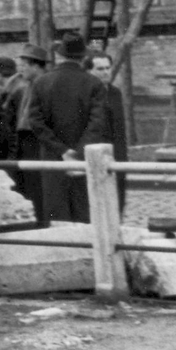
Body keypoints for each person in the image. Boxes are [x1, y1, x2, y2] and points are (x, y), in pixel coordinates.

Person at [23, 32, 110, 224]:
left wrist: (61, 150)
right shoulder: (94, 84)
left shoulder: (42, 82)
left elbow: (36, 122)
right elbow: (97, 123)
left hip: (53, 160)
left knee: (56, 215)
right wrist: (77, 153)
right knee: (85, 214)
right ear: (83, 57)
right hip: (85, 160)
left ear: (61, 55)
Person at [5, 44, 48, 208]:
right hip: (24, 142)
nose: (20, 70)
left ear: (35, 66)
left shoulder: (44, 85)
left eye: (24, 66)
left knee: (36, 187)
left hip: (37, 142)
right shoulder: (26, 86)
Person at [88, 49, 130, 212]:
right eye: (100, 69)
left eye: (108, 68)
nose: (106, 72)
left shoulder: (115, 93)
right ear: (90, 71)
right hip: (96, 153)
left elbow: (119, 128)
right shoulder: (86, 94)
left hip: (117, 154)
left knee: (118, 201)